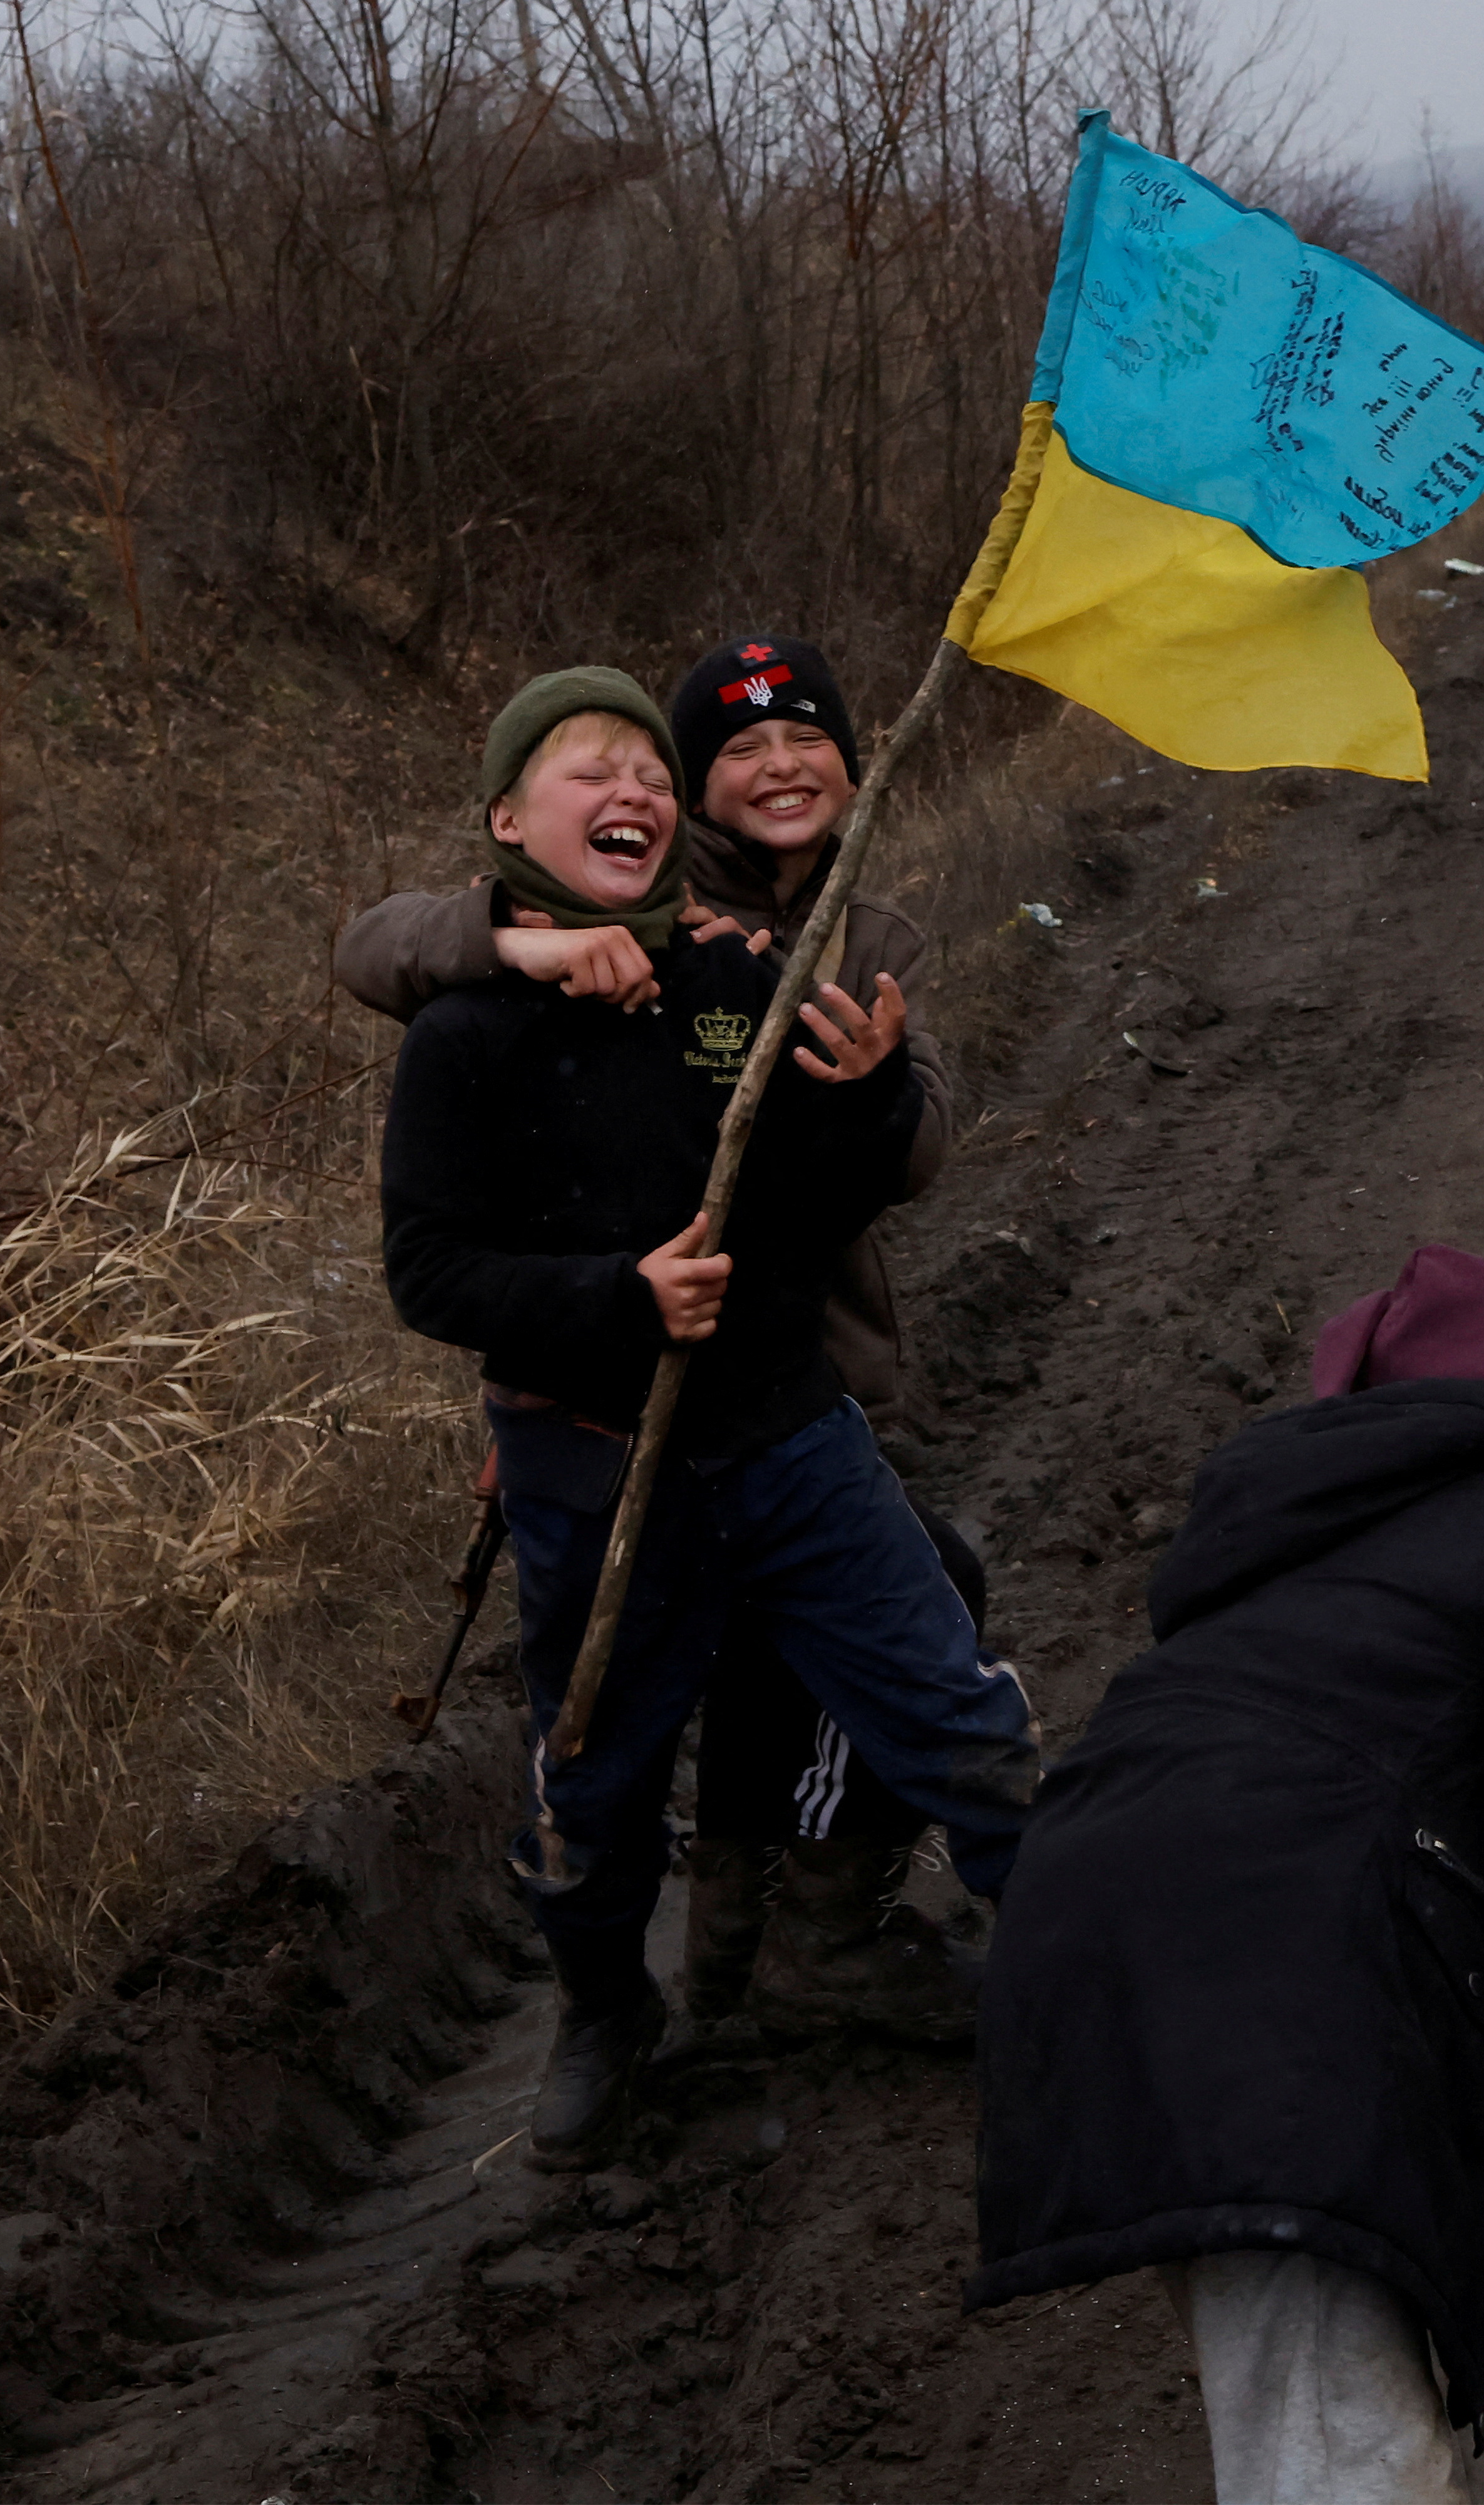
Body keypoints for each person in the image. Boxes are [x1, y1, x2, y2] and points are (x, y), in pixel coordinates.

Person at [964, 1246, 1484, 2505]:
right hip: (1271, 2030)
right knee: (1344, 2453)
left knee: (1403, 2416)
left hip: (1123, 1981)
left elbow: (1413, 1928)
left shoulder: (1311, 1580)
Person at [378, 663, 1036, 2168]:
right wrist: (623, 1298)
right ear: (506, 821)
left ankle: (1068, 1955)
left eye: (645, 774)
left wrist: (864, 1098)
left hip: (792, 1432)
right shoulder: (465, 1030)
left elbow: (825, 1190)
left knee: (954, 1696)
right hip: (594, 1461)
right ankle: (606, 2008)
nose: (632, 792)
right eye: (588, 770)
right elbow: (429, 1268)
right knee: (596, 1770)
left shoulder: (735, 981)